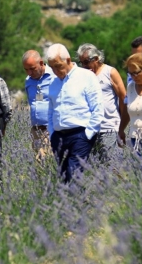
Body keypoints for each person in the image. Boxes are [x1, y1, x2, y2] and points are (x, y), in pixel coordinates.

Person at [45, 43, 105, 183]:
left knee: (74, 175)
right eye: (52, 67)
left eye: (58, 66)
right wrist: (52, 134)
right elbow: (51, 111)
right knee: (63, 177)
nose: (55, 71)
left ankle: (77, 203)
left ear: (67, 60)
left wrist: (88, 134)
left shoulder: (86, 76)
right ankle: (75, 204)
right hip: (59, 137)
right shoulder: (53, 82)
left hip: (80, 135)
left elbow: (97, 108)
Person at [77, 43, 127, 156]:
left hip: (109, 127)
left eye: (86, 62)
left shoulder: (110, 72)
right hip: (90, 129)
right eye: (81, 63)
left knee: (111, 165)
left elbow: (123, 98)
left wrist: (122, 127)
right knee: (94, 167)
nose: (84, 66)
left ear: (96, 58)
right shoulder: (83, 76)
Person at [22, 50, 55, 160]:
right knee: (38, 164)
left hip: (50, 128)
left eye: (32, 68)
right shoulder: (28, 81)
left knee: (46, 160)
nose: (29, 73)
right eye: (26, 69)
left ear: (41, 63)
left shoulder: (54, 77)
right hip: (36, 129)